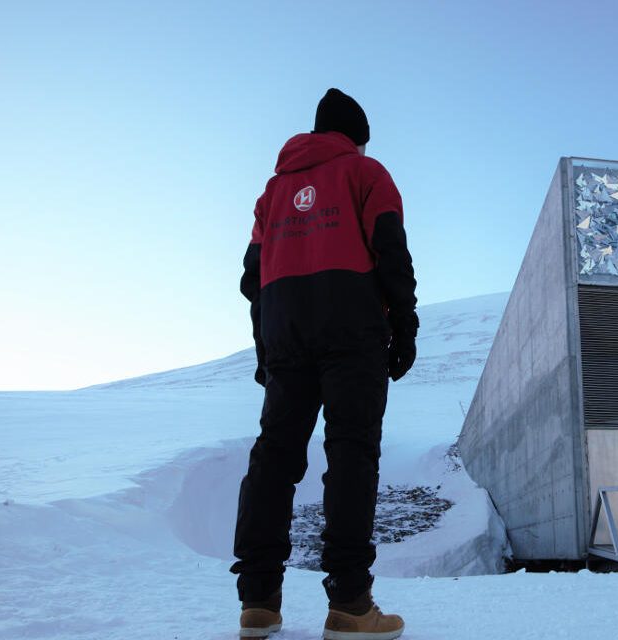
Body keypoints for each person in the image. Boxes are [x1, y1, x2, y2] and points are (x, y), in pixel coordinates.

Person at [231, 88, 417, 640]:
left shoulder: (273, 193)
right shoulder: (366, 173)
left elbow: (252, 277)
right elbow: (391, 250)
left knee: (274, 457)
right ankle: (350, 605)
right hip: (352, 331)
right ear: (356, 138)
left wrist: (266, 349)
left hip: (285, 332)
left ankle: (258, 604)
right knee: (351, 453)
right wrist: (405, 326)